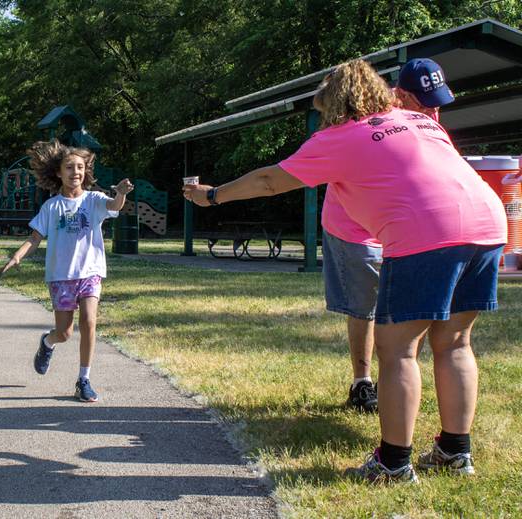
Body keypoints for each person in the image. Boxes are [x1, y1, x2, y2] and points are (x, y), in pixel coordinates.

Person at [183, 59, 506, 483]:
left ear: (334, 104)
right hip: (488, 224)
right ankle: (454, 452)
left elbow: (268, 182)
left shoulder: (340, 137)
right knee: (456, 343)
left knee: (398, 351)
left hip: (427, 233)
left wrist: (212, 195)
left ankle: (393, 463)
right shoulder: (418, 120)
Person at [324, 57, 455, 413]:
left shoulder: (426, 119)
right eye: (424, 103)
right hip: (356, 227)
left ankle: (392, 381)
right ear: (399, 93)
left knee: (412, 313)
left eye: (437, 103)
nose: (432, 111)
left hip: (409, 229)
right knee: (363, 308)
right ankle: (362, 382)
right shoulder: (365, 111)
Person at [0, 140, 134, 403]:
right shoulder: (51, 207)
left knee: (89, 321)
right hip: (61, 277)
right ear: (58, 172)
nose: (76, 172)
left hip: (90, 273)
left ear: (86, 171)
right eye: (69, 167)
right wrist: (17, 256)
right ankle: (48, 342)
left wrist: (121, 193)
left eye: (80, 167)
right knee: (65, 333)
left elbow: (115, 207)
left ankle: (83, 380)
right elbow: (35, 238)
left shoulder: (94, 200)